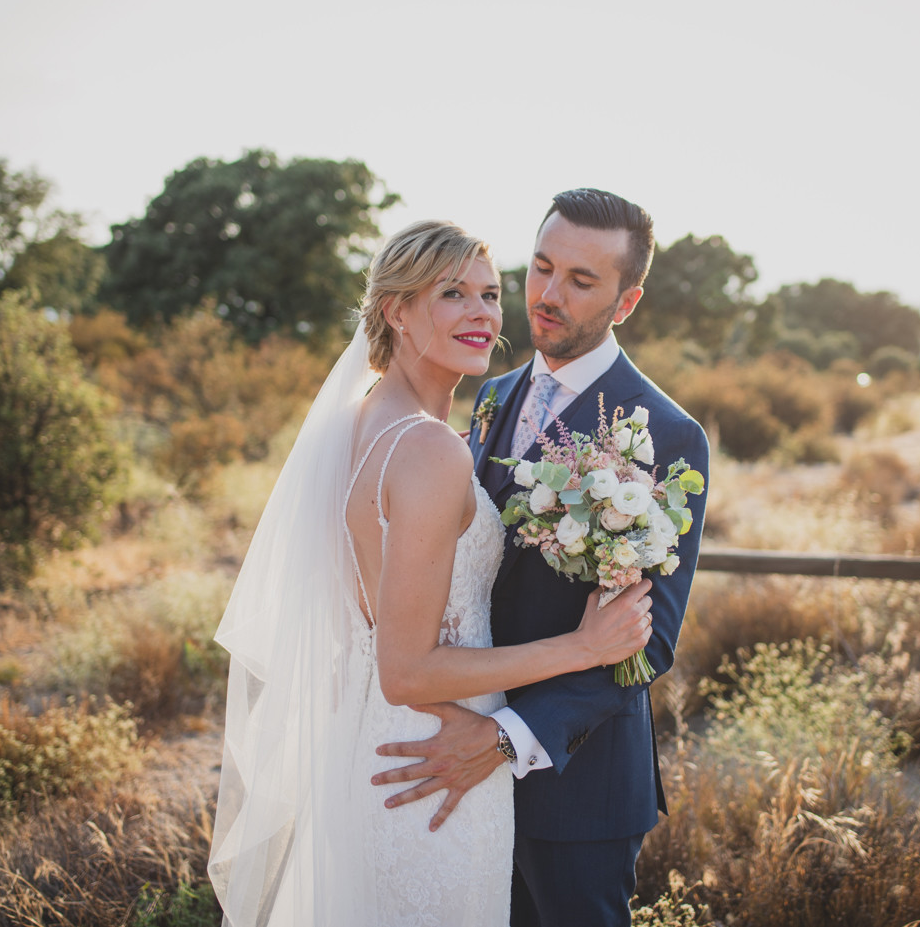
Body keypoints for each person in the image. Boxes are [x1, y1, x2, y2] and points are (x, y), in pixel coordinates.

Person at [207, 219, 657, 927]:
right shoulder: (429, 448)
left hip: (379, 744)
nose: (482, 313)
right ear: (396, 310)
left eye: (489, 294)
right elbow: (408, 669)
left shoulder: (364, 422)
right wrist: (582, 646)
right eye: (452, 294)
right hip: (435, 758)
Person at [373, 190, 710, 927]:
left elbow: (645, 642)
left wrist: (503, 738)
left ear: (626, 302)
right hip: (454, 765)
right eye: (542, 266)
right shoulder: (491, 394)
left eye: (581, 280)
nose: (548, 295)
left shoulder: (665, 431)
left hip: (574, 788)